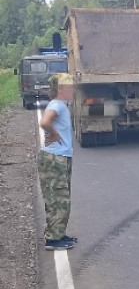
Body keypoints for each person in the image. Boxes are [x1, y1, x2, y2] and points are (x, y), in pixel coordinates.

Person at [38, 73, 77, 250]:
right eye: (69, 86)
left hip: (60, 157)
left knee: (61, 198)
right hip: (55, 159)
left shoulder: (61, 105)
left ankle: (58, 233)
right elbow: (44, 122)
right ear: (60, 89)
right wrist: (53, 134)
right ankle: (53, 239)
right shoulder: (56, 105)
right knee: (58, 198)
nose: (72, 89)